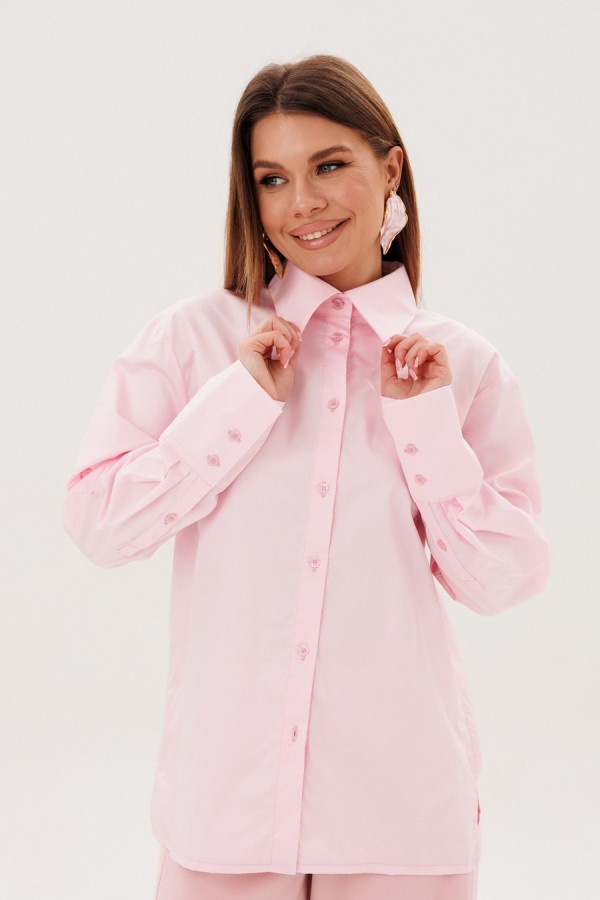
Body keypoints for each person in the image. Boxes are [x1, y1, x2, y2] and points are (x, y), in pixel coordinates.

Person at [63, 54, 551, 900]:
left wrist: (424, 427)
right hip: (227, 808)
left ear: (389, 169)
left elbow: (505, 579)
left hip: (403, 816)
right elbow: (99, 525)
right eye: (273, 179)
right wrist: (240, 400)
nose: (304, 203)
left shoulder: (459, 366)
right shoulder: (193, 341)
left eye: (329, 165)